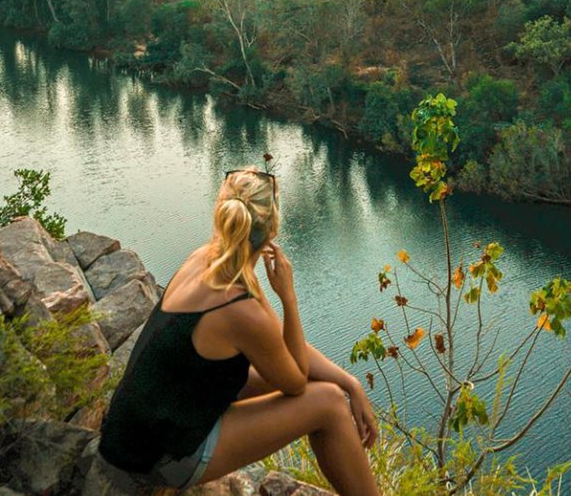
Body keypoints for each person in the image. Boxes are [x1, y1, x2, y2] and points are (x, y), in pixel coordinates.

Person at [98, 168, 380, 495]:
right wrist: (289, 299)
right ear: (273, 230)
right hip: (161, 458)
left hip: (131, 433)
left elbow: (274, 343)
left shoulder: (207, 259)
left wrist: (350, 383)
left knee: (323, 385)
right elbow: (296, 381)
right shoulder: (239, 307)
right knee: (329, 403)